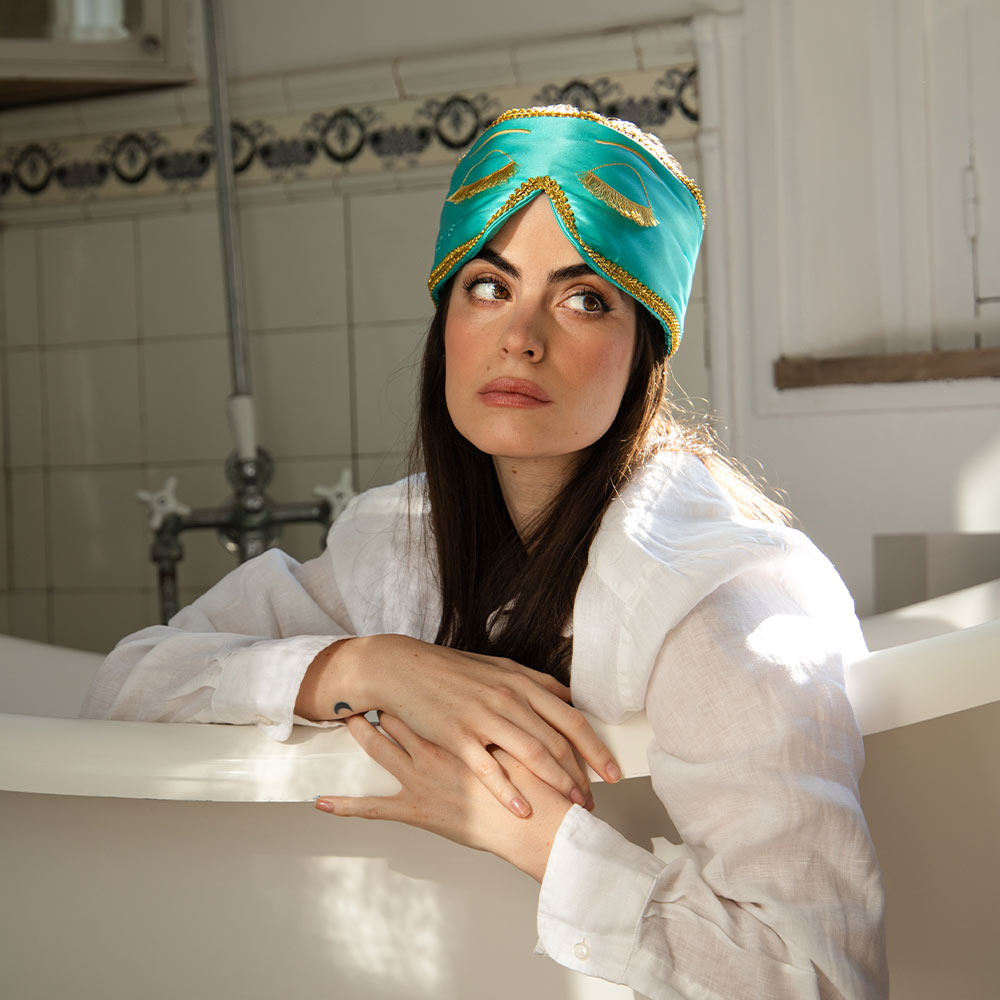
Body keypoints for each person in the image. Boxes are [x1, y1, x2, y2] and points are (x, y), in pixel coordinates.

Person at [81, 106, 888, 998]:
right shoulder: (403, 548)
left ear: (643, 356)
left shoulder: (714, 605)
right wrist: (377, 666)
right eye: (489, 286)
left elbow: (822, 981)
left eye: (584, 299)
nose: (521, 337)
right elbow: (127, 689)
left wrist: (531, 833)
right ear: (446, 324)